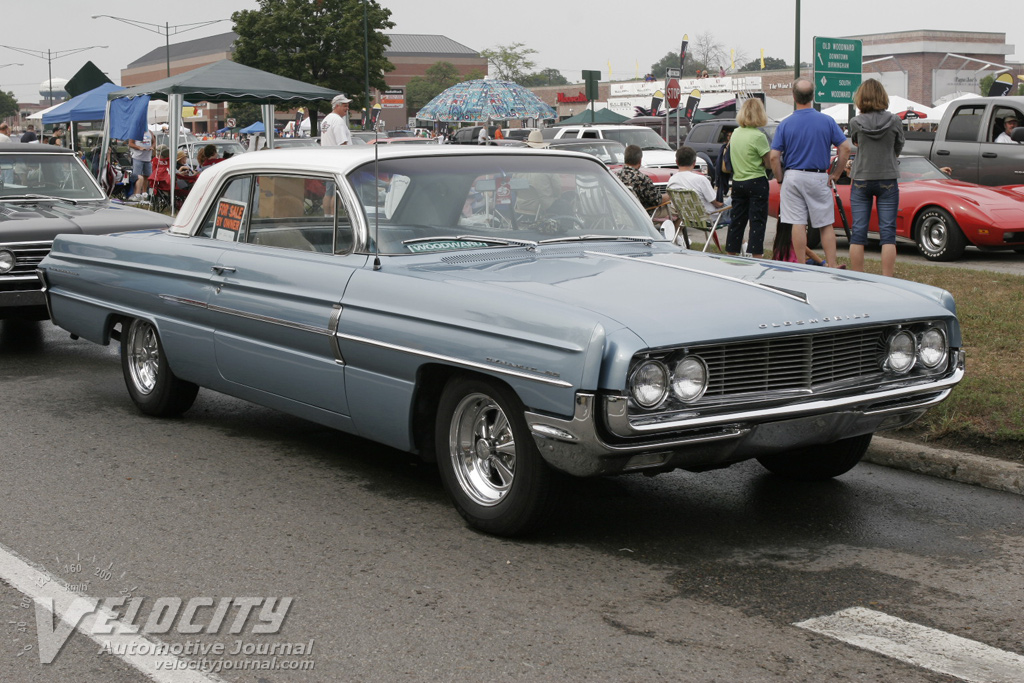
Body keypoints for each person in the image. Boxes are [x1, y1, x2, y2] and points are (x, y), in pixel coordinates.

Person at [770, 78, 852, 270]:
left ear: (793, 96)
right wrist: (837, 173)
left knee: (797, 222)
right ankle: (831, 264)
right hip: (818, 175)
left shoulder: (785, 124)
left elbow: (774, 156)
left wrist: (780, 178)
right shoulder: (827, 121)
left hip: (793, 175)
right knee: (825, 223)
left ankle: (800, 265)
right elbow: (845, 148)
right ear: (813, 97)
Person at [848, 78, 904, 278]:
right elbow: (899, 145)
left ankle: (858, 277)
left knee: (858, 232)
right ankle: (887, 278)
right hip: (888, 178)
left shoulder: (855, 122)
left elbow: (856, 143)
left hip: (862, 178)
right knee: (888, 233)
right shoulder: (895, 120)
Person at [725, 99, 772, 257]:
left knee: (737, 220)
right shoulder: (759, 136)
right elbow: (768, 162)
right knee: (757, 221)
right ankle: (756, 255)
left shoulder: (736, 133)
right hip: (757, 180)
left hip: (738, 181)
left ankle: (732, 252)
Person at [667, 145, 722, 213]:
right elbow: (718, 203)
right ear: (694, 162)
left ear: (677, 162)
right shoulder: (701, 180)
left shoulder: (672, 180)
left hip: (685, 218)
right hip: (709, 217)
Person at [771, 222, 842, 267]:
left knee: (809, 259)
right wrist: (823, 263)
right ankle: (830, 265)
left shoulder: (778, 243)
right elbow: (810, 253)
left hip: (784, 266)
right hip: (796, 266)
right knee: (813, 261)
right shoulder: (794, 241)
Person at [616, 144, 662, 212]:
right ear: (640, 161)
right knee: (675, 211)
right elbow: (657, 200)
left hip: (621, 213)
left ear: (625, 159)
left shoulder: (616, 176)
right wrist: (669, 197)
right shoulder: (641, 178)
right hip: (642, 215)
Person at [128, 128, 153, 201]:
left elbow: (154, 141)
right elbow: (130, 143)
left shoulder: (150, 132)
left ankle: (144, 192)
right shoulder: (135, 131)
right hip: (137, 157)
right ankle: (136, 193)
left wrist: (152, 146)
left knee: (147, 176)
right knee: (138, 176)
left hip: (147, 158)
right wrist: (139, 147)